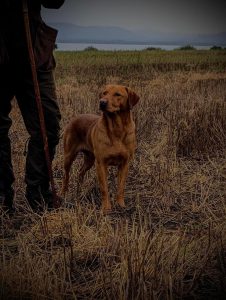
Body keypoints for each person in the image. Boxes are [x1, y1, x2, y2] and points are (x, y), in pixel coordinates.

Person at [0, 0, 65, 212]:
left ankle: (38, 195)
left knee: (49, 125)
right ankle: (2, 198)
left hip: (32, 52)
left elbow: (54, 2)